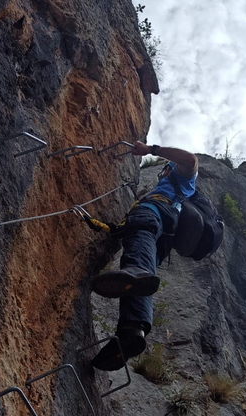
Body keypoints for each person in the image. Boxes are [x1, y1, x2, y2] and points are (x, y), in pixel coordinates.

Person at [90, 141, 198, 371]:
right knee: (135, 279)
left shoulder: (179, 180)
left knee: (135, 268)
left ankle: (136, 274)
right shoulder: (175, 195)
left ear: (169, 169)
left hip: (152, 215)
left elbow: (190, 160)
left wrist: (152, 150)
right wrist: (106, 228)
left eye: (164, 171)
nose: (162, 175)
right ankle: (132, 329)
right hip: (160, 236)